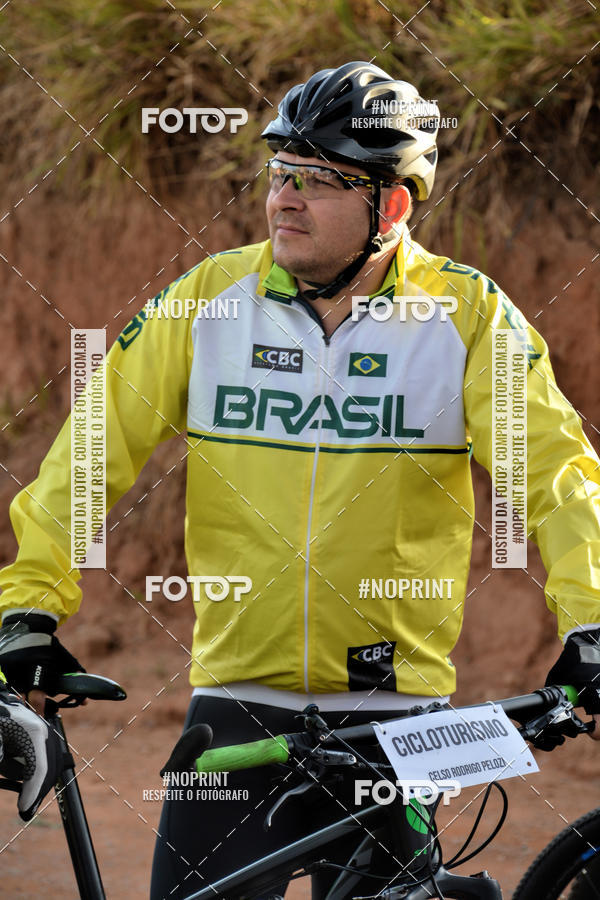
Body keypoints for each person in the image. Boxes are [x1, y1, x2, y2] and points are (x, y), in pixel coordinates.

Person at [0, 60, 598, 897]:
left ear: (391, 205)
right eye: (281, 172)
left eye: (319, 180)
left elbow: (557, 476)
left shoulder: (466, 316)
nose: (284, 197)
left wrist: (592, 619)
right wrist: (27, 604)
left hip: (396, 720)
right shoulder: (211, 298)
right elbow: (90, 451)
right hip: (236, 710)